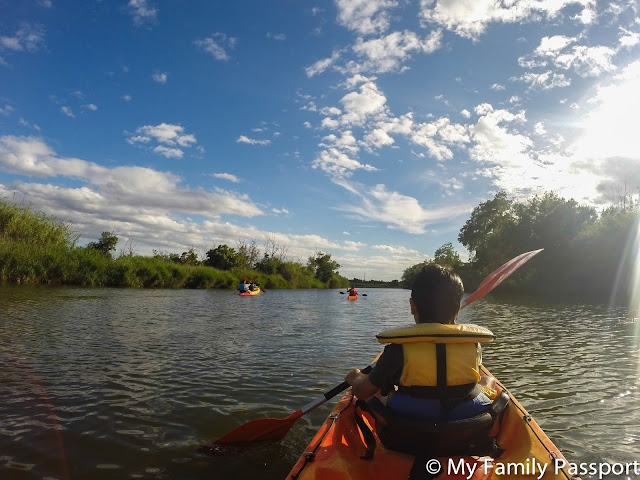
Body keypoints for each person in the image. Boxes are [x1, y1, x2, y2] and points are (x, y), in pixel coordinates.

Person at [344, 263, 495, 423]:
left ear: (412, 306)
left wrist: (355, 378)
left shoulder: (398, 348)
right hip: (468, 422)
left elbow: (362, 392)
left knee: (376, 391)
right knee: (487, 380)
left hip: (410, 425)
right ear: (457, 309)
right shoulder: (472, 344)